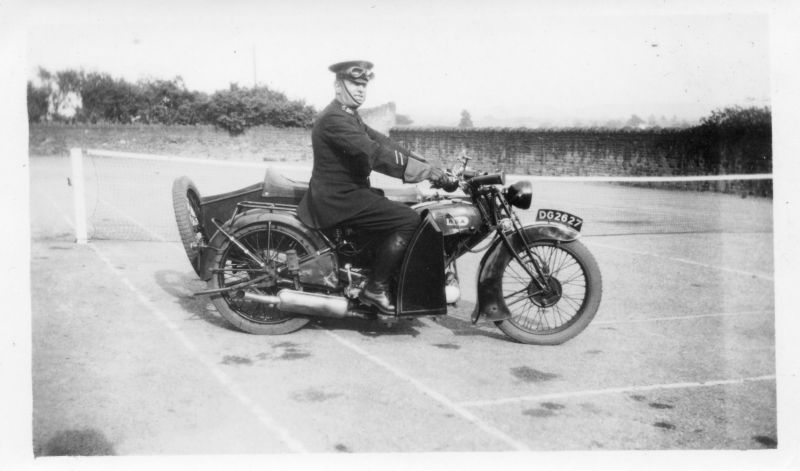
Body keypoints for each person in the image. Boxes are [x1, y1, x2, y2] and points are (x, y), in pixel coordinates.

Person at [297, 60, 453, 315]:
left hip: (348, 193)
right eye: (354, 83)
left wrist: (427, 164)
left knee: (403, 205)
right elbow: (374, 153)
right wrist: (424, 172)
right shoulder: (334, 119)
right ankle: (376, 287)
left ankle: (380, 275)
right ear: (338, 86)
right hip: (340, 198)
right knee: (409, 220)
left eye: (364, 84)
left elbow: (382, 141)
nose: (360, 89)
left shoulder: (347, 115)